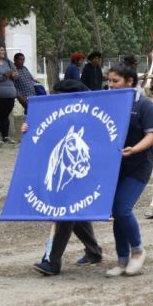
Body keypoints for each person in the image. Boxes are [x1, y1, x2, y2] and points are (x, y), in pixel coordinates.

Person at [29, 79, 104, 276]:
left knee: (65, 212)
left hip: (81, 171)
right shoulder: (61, 116)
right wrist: (28, 132)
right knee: (74, 212)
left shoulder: (87, 117)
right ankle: (94, 251)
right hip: (63, 172)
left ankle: (52, 261)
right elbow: (46, 138)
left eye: (58, 96)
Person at [104, 63, 153, 277]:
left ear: (130, 82)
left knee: (122, 209)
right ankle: (121, 260)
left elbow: (151, 135)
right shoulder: (107, 104)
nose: (110, 86)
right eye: (109, 81)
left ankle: (138, 252)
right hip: (114, 168)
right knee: (117, 213)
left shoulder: (145, 106)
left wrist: (134, 149)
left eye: (115, 81)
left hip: (139, 166)